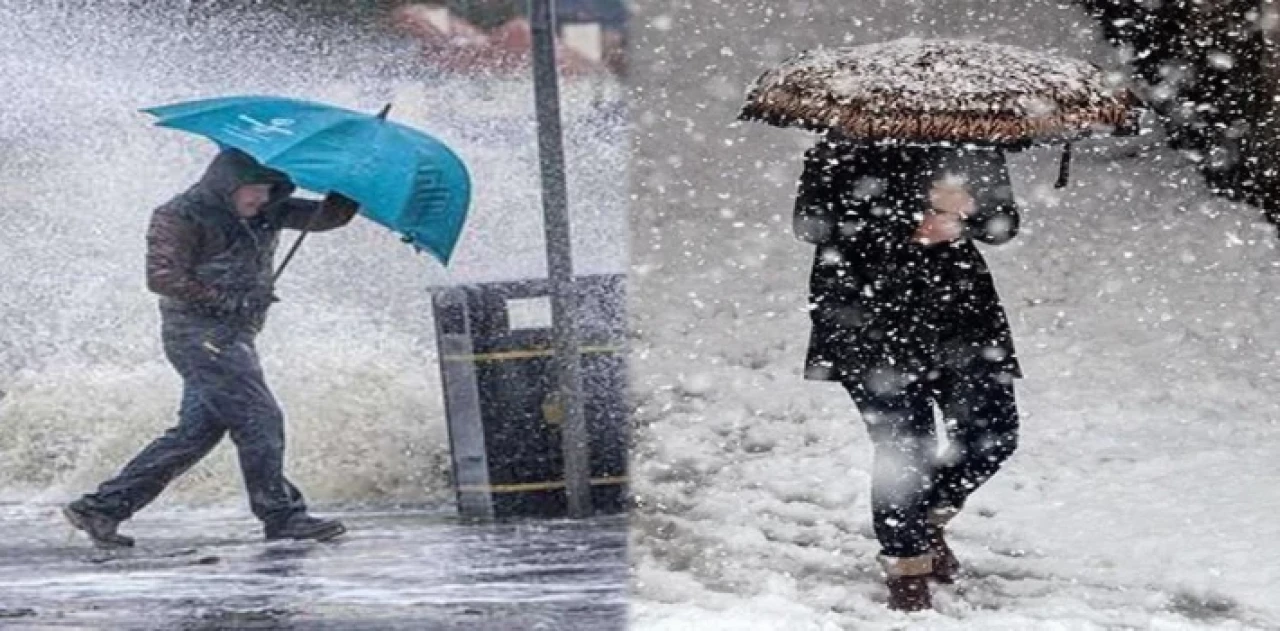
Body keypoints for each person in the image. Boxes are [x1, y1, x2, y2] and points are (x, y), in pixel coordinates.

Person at [63, 148, 359, 548]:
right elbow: (162, 277)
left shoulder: (271, 209)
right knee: (260, 418)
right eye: (252, 189)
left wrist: (349, 182)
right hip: (196, 335)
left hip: (234, 336)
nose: (260, 198)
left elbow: (327, 217)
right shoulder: (180, 214)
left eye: (268, 189)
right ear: (227, 185)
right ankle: (282, 516)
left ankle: (101, 508)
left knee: (195, 433)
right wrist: (227, 300)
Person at [793, 137, 1022, 611]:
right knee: (904, 448)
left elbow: (1003, 227)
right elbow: (812, 224)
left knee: (993, 433)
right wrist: (910, 218)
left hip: (960, 313)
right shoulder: (843, 143)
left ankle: (925, 519)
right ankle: (907, 565)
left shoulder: (971, 138)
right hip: (867, 313)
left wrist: (968, 212)